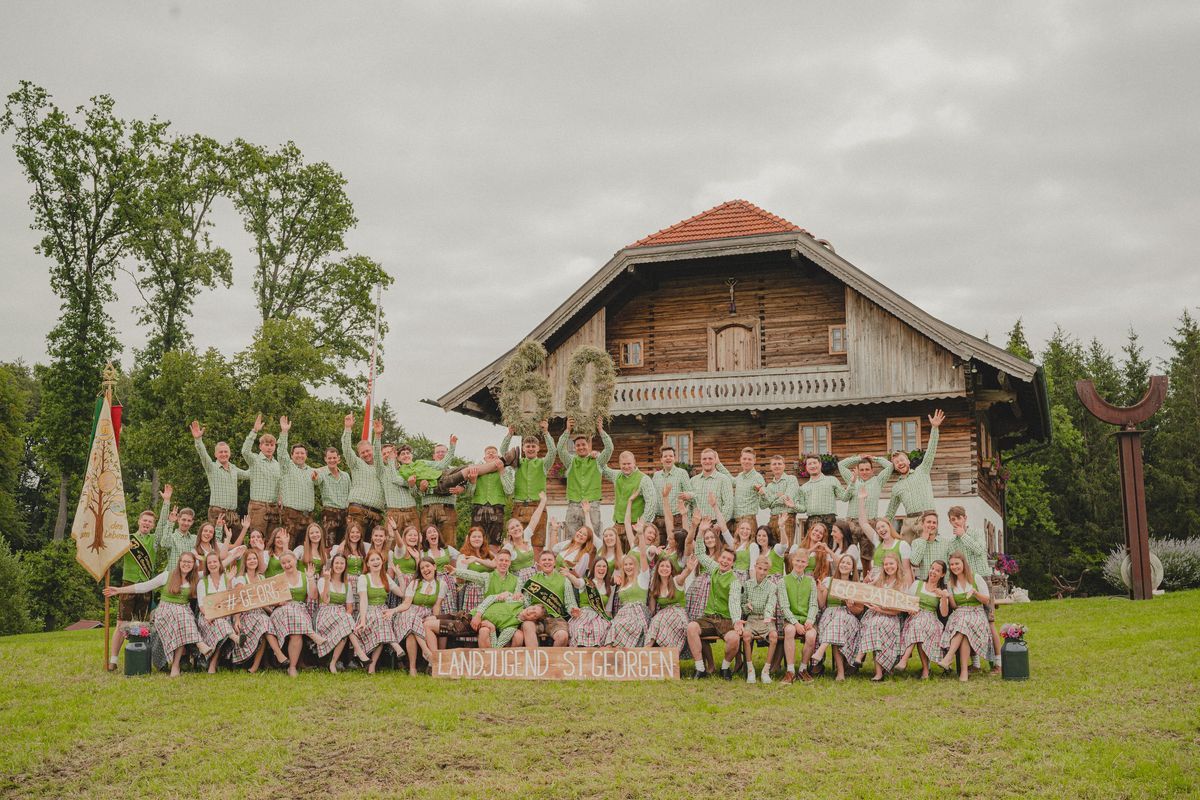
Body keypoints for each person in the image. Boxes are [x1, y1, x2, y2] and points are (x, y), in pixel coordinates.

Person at [103, 551, 212, 677]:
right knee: (183, 617)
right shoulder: (167, 576)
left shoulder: (195, 577)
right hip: (165, 610)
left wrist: (233, 554)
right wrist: (119, 590)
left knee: (183, 620)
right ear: (179, 563)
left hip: (183, 612)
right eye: (184, 561)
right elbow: (144, 586)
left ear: (194, 564)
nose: (186, 564)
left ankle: (175, 665)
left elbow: (215, 567)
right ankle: (199, 644)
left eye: (189, 562)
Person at [107, 495, 169, 670]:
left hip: (146, 587)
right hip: (128, 584)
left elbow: (164, 523)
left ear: (153, 525)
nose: (147, 523)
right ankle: (113, 660)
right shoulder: (127, 539)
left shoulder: (154, 541)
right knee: (121, 623)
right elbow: (112, 552)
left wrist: (166, 502)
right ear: (139, 521)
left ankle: (141, 656)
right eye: (145, 520)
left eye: (150, 521)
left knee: (143, 624)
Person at [947, 505, 1002, 671]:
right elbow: (953, 565)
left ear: (965, 518)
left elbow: (979, 550)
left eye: (958, 518)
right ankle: (975, 663)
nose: (956, 522)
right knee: (968, 623)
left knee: (989, 621)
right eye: (952, 520)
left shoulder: (976, 533)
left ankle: (998, 662)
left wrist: (963, 535)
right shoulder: (952, 543)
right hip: (963, 584)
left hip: (981, 580)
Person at [685, 534, 743, 679]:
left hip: (726, 620)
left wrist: (736, 621)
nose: (725, 561)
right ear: (719, 558)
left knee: (734, 639)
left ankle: (725, 667)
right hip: (709, 618)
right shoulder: (714, 568)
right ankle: (700, 668)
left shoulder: (735, 581)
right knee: (691, 627)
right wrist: (701, 532)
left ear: (732, 564)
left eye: (729, 560)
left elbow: (734, 602)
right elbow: (699, 553)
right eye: (723, 558)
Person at [885, 409, 944, 542]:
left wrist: (934, 428)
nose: (900, 463)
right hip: (909, 522)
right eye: (896, 462)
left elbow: (931, 451)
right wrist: (881, 526)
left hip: (926, 519)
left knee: (928, 553)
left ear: (908, 461)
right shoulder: (896, 487)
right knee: (908, 556)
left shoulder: (922, 471)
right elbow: (890, 512)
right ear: (894, 467)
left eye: (901, 460)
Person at [225, 549, 285, 673]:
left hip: (260, 613)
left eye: (254, 558)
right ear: (245, 562)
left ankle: (255, 666)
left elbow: (264, 601)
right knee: (264, 622)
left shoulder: (262, 577)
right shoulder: (241, 579)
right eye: (249, 559)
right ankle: (279, 654)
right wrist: (236, 619)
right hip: (245, 614)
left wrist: (276, 605)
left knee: (265, 625)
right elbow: (238, 600)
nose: (252, 561)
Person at [501, 421, 556, 552]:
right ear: (523, 448)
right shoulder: (517, 462)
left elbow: (553, 452)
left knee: (538, 544)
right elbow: (504, 452)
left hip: (538, 507)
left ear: (538, 448)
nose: (530, 448)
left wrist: (546, 433)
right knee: (516, 542)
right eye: (528, 446)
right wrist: (509, 434)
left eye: (533, 446)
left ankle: (536, 570)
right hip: (519, 507)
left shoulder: (543, 464)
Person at [268, 552, 326, 676]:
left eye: (289, 561)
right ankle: (311, 633)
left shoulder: (305, 576)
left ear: (295, 560)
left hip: (300, 610)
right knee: (289, 609)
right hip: (281, 611)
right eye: (283, 563)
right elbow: (271, 601)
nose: (287, 565)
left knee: (296, 634)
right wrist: (278, 602)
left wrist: (310, 578)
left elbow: (314, 596)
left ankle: (292, 667)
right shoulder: (278, 578)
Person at [937, 552, 992, 681]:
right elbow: (955, 606)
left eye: (957, 563)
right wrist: (947, 596)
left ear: (963, 564)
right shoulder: (951, 583)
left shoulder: (975, 578)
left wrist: (975, 593)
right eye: (951, 564)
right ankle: (964, 673)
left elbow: (986, 600)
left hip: (976, 613)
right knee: (964, 630)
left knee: (963, 625)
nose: (954, 567)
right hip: (960, 614)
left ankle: (949, 658)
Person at [853, 552, 907, 681]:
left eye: (891, 564)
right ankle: (878, 673)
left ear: (897, 565)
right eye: (886, 564)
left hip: (891, 616)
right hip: (874, 614)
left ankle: (860, 655)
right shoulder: (880, 578)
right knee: (874, 624)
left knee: (876, 624)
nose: (888, 567)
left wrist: (882, 610)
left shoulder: (901, 583)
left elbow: (898, 611)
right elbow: (865, 590)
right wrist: (865, 582)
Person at [191, 419, 248, 540]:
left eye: (226, 451)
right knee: (215, 543)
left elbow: (249, 475)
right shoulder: (212, 467)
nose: (223, 454)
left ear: (230, 453)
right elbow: (203, 454)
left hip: (233, 514)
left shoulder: (234, 469)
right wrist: (198, 440)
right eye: (220, 452)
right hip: (217, 513)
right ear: (216, 454)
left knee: (238, 544)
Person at [388, 556, 444, 675]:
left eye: (427, 566)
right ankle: (426, 652)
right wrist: (393, 611)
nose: (425, 569)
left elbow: (437, 606)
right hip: (408, 614)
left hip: (425, 615)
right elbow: (406, 604)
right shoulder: (415, 583)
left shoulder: (441, 585)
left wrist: (435, 619)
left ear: (434, 567)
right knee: (412, 619)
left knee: (412, 630)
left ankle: (413, 668)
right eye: (422, 568)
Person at [556, 417, 613, 534]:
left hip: (592, 505)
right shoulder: (570, 461)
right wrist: (567, 430)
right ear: (575, 448)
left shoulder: (597, 461)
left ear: (589, 446)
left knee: (593, 537)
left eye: (583, 444)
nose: (581, 447)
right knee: (572, 537)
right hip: (574, 505)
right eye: (578, 445)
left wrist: (600, 430)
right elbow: (560, 449)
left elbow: (609, 449)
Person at [815, 553, 864, 681]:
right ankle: (840, 673)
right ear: (838, 564)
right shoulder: (829, 581)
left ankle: (821, 649)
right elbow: (821, 604)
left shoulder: (856, 586)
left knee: (839, 622)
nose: (844, 565)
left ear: (853, 568)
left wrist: (850, 605)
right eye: (843, 562)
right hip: (829, 616)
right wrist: (820, 591)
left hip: (848, 617)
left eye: (848, 563)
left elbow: (859, 611)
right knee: (837, 625)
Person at [356, 550, 405, 674]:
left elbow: (402, 593)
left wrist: (399, 575)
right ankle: (394, 644)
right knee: (381, 619)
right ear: (367, 564)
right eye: (372, 560)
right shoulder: (363, 578)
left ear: (382, 562)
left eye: (377, 559)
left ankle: (372, 666)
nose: (375, 562)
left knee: (383, 620)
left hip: (382, 611)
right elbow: (363, 600)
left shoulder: (386, 577)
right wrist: (362, 621)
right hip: (368, 611)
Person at [314, 553, 364, 673]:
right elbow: (325, 600)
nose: (339, 565)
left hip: (342, 615)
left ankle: (332, 663)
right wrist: (326, 580)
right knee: (346, 622)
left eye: (342, 563)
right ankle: (359, 652)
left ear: (345, 566)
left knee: (345, 622)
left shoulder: (347, 585)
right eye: (337, 563)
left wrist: (347, 615)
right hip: (325, 613)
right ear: (332, 565)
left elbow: (350, 607)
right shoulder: (322, 580)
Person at [900, 559, 949, 679]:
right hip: (915, 616)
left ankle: (904, 660)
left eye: (937, 570)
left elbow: (944, 613)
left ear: (942, 574)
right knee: (918, 625)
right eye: (932, 568)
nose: (933, 572)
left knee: (919, 625)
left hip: (931, 619)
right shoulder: (918, 584)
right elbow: (908, 602)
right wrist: (909, 609)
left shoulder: (942, 591)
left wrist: (943, 597)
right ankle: (925, 671)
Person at [776, 549, 819, 684]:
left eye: (803, 562)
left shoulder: (810, 581)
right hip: (791, 619)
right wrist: (795, 623)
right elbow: (784, 607)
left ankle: (802, 669)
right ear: (792, 561)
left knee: (811, 636)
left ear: (807, 564)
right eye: (798, 561)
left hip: (806, 619)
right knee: (789, 631)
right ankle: (790, 671)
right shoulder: (783, 581)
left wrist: (810, 620)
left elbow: (813, 604)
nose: (800, 564)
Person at [519, 550, 578, 648]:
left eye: (550, 559)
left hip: (555, 618)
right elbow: (526, 603)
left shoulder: (564, 580)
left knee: (562, 636)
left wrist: (573, 610)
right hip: (535, 617)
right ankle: (534, 660)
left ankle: (552, 662)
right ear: (539, 563)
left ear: (554, 562)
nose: (547, 562)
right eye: (544, 560)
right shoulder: (532, 580)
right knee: (527, 626)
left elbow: (570, 603)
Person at [276, 416, 319, 548]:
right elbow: (281, 452)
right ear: (292, 455)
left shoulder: (311, 471)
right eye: (297, 453)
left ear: (306, 455)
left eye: (302, 453)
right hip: (291, 515)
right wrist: (284, 432)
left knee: (306, 549)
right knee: (287, 547)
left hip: (308, 517)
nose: (300, 455)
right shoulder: (287, 466)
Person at [341, 413, 386, 538]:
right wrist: (348, 428)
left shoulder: (382, 468)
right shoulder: (356, 464)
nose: (366, 454)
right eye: (362, 452)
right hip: (358, 511)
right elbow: (346, 449)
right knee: (353, 544)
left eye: (368, 451)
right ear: (359, 455)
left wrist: (377, 435)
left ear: (372, 449)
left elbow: (378, 454)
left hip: (376, 515)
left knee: (372, 548)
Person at [373, 420, 421, 536]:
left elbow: (416, 493)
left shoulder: (408, 469)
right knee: (391, 545)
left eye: (390, 453)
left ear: (396, 455)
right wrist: (378, 435)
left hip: (411, 511)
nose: (388, 455)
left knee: (414, 544)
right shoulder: (382, 471)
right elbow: (376, 455)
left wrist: (412, 484)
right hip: (393, 513)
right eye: (384, 454)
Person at [857, 487, 912, 585]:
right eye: (878, 529)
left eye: (883, 526)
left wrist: (907, 593)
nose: (881, 530)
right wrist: (861, 499)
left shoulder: (902, 545)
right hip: (875, 582)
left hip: (893, 583)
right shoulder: (878, 542)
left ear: (889, 527)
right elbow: (863, 523)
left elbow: (907, 571)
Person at [195, 551, 236, 674]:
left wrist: (229, 582)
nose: (212, 564)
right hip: (207, 616)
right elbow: (201, 605)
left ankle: (213, 664)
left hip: (224, 615)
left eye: (215, 561)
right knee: (220, 624)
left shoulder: (227, 578)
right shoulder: (203, 582)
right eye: (209, 562)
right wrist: (210, 615)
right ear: (206, 565)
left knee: (221, 623)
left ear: (219, 563)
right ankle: (235, 638)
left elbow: (231, 600)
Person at [241, 413, 282, 538]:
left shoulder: (277, 464)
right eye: (266, 445)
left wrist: (281, 497)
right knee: (257, 538)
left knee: (271, 541)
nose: (269, 448)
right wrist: (254, 431)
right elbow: (245, 451)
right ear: (260, 446)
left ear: (275, 446)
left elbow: (280, 484)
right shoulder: (255, 460)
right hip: (258, 506)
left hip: (274, 507)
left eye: (272, 445)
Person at [738, 555, 778, 684]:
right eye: (760, 568)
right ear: (755, 567)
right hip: (752, 618)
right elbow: (742, 605)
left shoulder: (772, 586)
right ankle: (750, 670)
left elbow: (771, 603)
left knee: (773, 636)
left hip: (766, 618)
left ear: (768, 571)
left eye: (765, 570)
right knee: (746, 636)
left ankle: (766, 670)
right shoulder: (748, 584)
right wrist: (747, 607)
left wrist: (767, 615)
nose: (762, 572)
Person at [418, 436, 462, 548]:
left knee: (449, 543)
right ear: (433, 456)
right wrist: (421, 489)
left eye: (443, 452)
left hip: (447, 509)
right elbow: (416, 491)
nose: (440, 454)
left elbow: (467, 485)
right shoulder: (425, 469)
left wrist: (462, 489)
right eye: (438, 452)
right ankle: (426, 565)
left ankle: (448, 565)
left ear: (448, 454)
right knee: (426, 543)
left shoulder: (455, 470)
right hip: (428, 509)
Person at [644, 555, 692, 655]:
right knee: (656, 621)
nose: (664, 569)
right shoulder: (654, 585)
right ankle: (647, 650)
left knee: (662, 620)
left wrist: (688, 569)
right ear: (657, 569)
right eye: (662, 566)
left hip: (678, 614)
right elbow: (652, 609)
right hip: (663, 615)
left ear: (671, 569)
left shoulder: (676, 580)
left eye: (667, 566)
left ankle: (671, 655)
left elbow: (684, 575)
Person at [603, 450, 658, 534]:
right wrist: (598, 455)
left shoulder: (644, 479)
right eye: (623, 464)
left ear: (634, 463)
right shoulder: (616, 475)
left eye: (629, 464)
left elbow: (651, 504)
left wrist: (642, 523)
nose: (626, 466)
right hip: (618, 524)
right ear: (619, 464)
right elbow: (604, 469)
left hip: (635, 525)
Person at [605, 550, 651, 648]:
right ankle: (610, 652)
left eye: (631, 564)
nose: (628, 567)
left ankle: (611, 649)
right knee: (612, 626)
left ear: (636, 566)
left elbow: (643, 555)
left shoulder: (642, 579)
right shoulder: (622, 583)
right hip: (623, 613)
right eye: (625, 564)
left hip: (637, 613)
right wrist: (614, 578)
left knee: (620, 626)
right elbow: (605, 580)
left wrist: (640, 535)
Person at [464, 445, 508, 546]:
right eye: (488, 452)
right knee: (476, 539)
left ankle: (493, 561)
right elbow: (469, 494)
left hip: (497, 507)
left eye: (493, 452)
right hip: (479, 507)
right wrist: (473, 481)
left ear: (498, 456)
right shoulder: (476, 470)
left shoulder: (505, 470)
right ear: (484, 458)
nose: (491, 453)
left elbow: (509, 490)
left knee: (495, 541)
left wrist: (501, 472)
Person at [565, 556, 615, 647]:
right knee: (580, 628)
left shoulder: (609, 588)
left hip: (599, 616)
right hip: (583, 614)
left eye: (604, 566)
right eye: (598, 566)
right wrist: (569, 575)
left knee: (601, 629)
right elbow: (577, 582)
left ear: (607, 569)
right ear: (593, 569)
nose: (601, 568)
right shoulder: (586, 582)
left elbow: (608, 611)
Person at [837, 452, 893, 528]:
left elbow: (890, 466)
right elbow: (841, 465)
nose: (864, 472)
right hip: (852, 522)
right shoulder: (853, 478)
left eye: (867, 469)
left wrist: (874, 458)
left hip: (870, 522)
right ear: (858, 470)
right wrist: (858, 458)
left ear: (872, 470)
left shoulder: (878, 481)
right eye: (862, 470)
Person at [799, 453, 849, 536]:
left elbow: (844, 497)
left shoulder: (832, 480)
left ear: (820, 464)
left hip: (829, 520)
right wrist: (792, 505)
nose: (812, 466)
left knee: (828, 548)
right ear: (806, 467)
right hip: (812, 521)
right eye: (809, 464)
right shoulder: (803, 487)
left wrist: (852, 484)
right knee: (811, 548)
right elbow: (803, 508)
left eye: (814, 463)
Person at [717, 447, 765, 532]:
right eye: (744, 458)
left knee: (748, 546)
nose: (746, 461)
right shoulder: (740, 476)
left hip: (748, 520)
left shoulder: (757, 478)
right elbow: (731, 480)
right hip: (736, 520)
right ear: (740, 460)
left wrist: (762, 492)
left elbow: (763, 496)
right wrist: (718, 463)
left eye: (749, 459)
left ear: (754, 461)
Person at [651, 444, 693, 536]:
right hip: (659, 520)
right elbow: (653, 497)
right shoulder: (656, 476)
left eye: (671, 456)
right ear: (661, 459)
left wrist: (688, 495)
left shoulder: (681, 473)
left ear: (674, 458)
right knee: (661, 548)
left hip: (677, 519)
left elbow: (690, 492)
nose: (668, 458)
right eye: (665, 456)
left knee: (676, 547)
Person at [759, 455, 802, 545]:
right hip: (772, 519)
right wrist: (777, 496)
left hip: (787, 518)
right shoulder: (769, 486)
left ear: (784, 466)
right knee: (772, 549)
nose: (777, 466)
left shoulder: (791, 479)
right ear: (771, 467)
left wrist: (771, 502)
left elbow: (787, 498)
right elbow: (763, 506)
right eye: (774, 464)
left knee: (785, 548)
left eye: (779, 464)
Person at [315, 446, 352, 547]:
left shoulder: (346, 475)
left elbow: (350, 494)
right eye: (329, 458)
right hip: (330, 513)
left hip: (345, 513)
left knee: (344, 544)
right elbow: (316, 480)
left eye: (334, 458)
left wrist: (349, 514)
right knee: (329, 544)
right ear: (325, 459)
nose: (332, 460)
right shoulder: (321, 473)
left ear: (338, 458)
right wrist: (315, 475)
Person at [455, 527, 497, 611]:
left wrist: (477, 559)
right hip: (473, 593)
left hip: (490, 591)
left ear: (483, 539)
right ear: (469, 539)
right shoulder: (463, 556)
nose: (477, 539)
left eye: (479, 536)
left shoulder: (489, 554)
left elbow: (497, 565)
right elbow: (460, 579)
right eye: (474, 537)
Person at [422, 524, 461, 614]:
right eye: (429, 532)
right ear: (426, 538)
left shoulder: (447, 549)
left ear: (438, 534)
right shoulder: (423, 553)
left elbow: (461, 558)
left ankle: (449, 624)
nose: (432, 534)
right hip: (433, 582)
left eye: (434, 531)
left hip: (448, 581)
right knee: (436, 604)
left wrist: (455, 574)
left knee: (450, 604)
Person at [689, 448, 733, 525]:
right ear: (701, 461)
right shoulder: (693, 481)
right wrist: (690, 525)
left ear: (715, 460)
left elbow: (728, 506)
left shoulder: (724, 480)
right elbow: (689, 505)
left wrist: (719, 525)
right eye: (704, 459)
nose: (707, 461)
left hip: (715, 523)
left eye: (710, 458)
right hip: (697, 524)